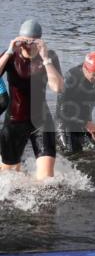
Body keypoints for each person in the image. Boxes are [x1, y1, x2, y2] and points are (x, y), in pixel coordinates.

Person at [0, 19, 64, 180]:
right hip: (14, 121)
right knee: (9, 177)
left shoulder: (50, 57)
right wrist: (8, 51)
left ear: (39, 41)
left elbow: (58, 88)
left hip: (41, 122)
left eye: (31, 42)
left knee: (46, 180)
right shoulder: (11, 57)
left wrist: (46, 59)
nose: (26, 46)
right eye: (23, 42)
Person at [55, 52, 95, 154]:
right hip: (65, 123)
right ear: (85, 69)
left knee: (94, 149)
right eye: (94, 75)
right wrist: (86, 124)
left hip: (85, 119)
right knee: (71, 153)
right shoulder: (70, 78)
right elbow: (62, 112)